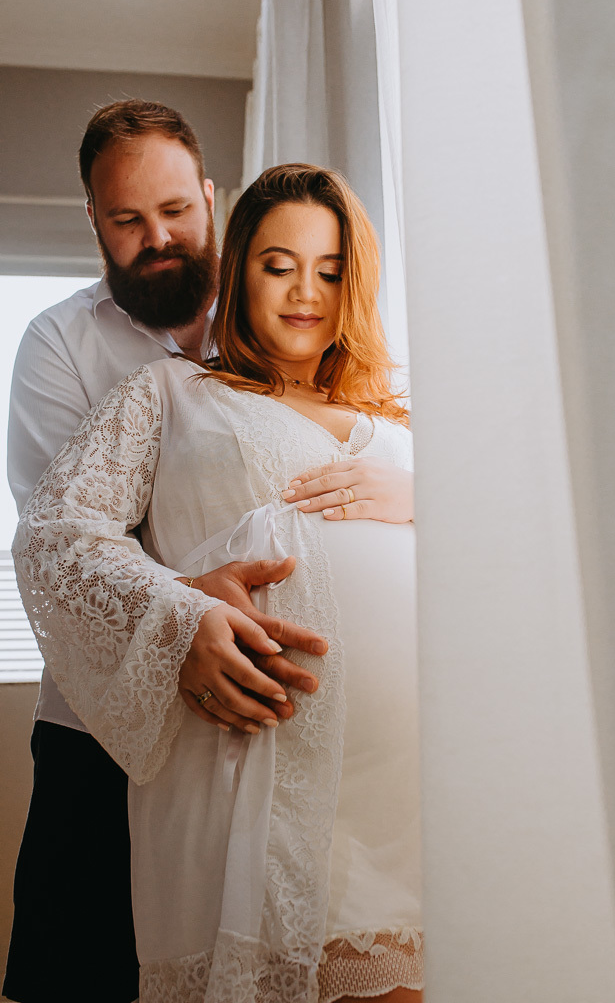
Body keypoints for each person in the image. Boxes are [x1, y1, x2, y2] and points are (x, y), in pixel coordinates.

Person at [3, 101, 413, 1003]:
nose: (157, 236)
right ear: (95, 222)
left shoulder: (376, 395)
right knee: (78, 969)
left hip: (401, 781)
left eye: (176, 212)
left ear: (209, 201)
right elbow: (60, 525)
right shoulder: (83, 355)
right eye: (127, 219)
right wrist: (180, 605)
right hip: (140, 725)